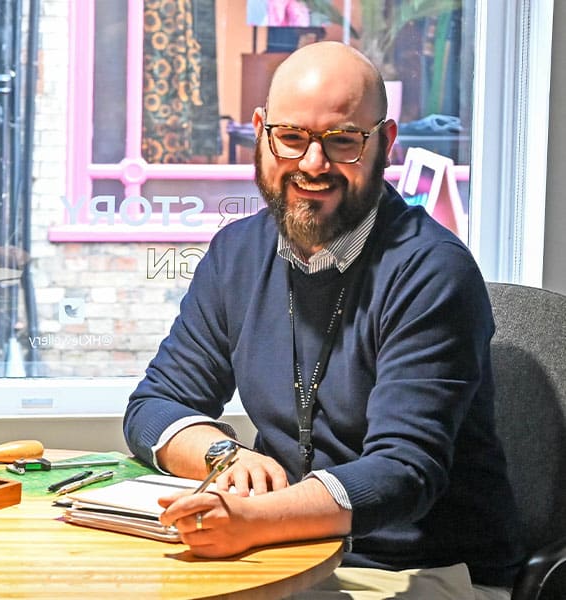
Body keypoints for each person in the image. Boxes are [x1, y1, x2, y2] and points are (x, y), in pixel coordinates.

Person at [123, 41, 524, 599]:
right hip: (283, 554)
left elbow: (403, 472)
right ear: (262, 133)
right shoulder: (236, 253)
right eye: (292, 138)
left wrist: (253, 521)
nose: (313, 164)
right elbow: (154, 406)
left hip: (418, 570)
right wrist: (225, 456)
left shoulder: (432, 270)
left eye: (341, 141)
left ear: (384, 143)